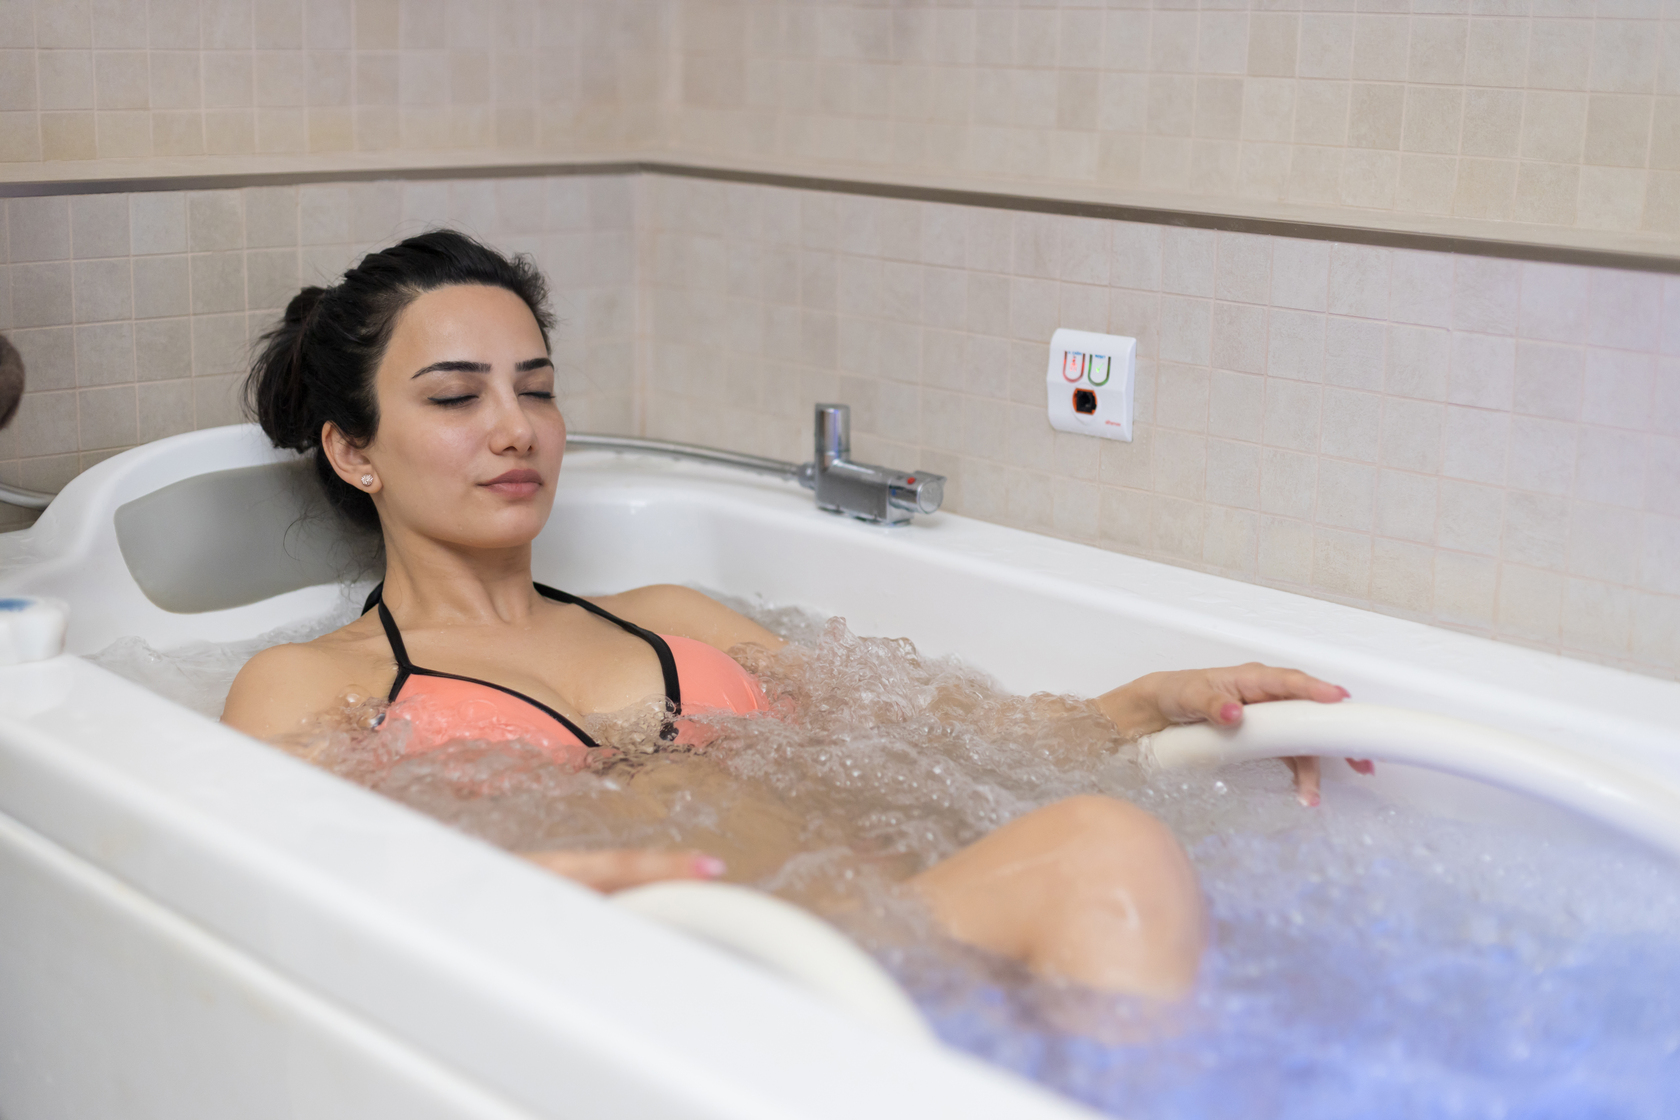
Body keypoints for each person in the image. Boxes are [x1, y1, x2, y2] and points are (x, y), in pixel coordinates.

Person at [223, 230, 1359, 1001]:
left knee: (1109, 845)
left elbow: (961, 739)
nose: (516, 427)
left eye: (539, 387)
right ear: (354, 450)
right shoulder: (312, 685)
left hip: (870, 948)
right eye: (457, 396)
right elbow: (293, 919)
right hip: (640, 1003)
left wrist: (1153, 704)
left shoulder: (673, 617)